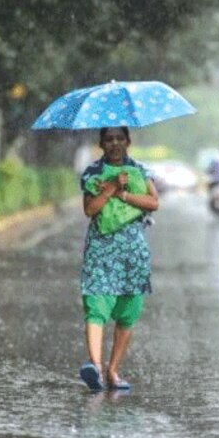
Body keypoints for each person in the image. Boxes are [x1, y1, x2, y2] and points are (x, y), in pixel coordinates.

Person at [78, 126, 160, 392]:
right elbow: (90, 209)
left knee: (128, 311)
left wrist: (124, 194)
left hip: (132, 252)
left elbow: (153, 203)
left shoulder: (140, 170)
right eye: (109, 139)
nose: (114, 144)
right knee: (96, 304)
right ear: (101, 143)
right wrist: (109, 189)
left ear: (128, 141)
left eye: (119, 139)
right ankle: (96, 368)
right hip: (101, 250)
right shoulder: (92, 173)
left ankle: (113, 370)